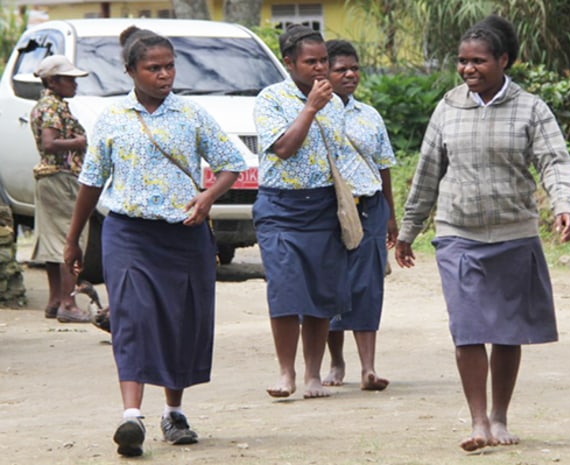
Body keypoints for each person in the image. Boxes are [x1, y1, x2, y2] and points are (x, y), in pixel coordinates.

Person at [395, 15, 570, 452]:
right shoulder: (447, 108)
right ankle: (477, 422)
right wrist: (408, 229)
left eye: (478, 60)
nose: (467, 69)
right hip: (459, 233)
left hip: (515, 233)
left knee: (508, 331)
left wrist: (563, 205)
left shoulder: (531, 108)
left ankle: (499, 416)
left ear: (503, 60)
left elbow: (554, 161)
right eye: (461, 61)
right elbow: (427, 173)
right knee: (468, 327)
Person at [63, 26, 246, 457]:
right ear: (130, 71)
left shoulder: (192, 115)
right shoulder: (111, 119)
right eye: (153, 68)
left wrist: (208, 196)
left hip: (184, 236)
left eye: (169, 66)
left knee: (180, 321)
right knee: (132, 317)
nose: (164, 75)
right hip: (128, 234)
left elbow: (231, 164)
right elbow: (90, 183)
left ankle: (174, 411)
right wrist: (72, 240)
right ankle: (131, 417)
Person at [253, 24, 351, 399]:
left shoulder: (336, 104)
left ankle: (312, 375)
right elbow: (284, 148)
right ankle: (285, 373)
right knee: (285, 289)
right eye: (311, 62)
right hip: (280, 207)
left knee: (319, 292)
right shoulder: (270, 100)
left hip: (323, 207)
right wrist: (311, 107)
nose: (320, 68)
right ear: (289, 62)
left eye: (324, 60)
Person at [321, 39, 397, 391]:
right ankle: (336, 363)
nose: (350, 74)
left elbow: (384, 166)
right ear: (325, 72)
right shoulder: (315, 111)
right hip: (329, 210)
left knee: (368, 287)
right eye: (341, 69)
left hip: (370, 208)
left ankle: (369, 368)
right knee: (333, 286)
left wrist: (391, 215)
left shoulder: (370, 115)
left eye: (354, 68)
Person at [30, 55, 91, 323]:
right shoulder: (53, 107)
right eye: (69, 79)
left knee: (54, 242)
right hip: (61, 178)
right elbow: (50, 143)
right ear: (53, 81)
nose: (74, 84)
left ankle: (55, 300)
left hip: (48, 179)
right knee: (71, 240)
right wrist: (80, 142)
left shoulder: (44, 105)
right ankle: (69, 303)